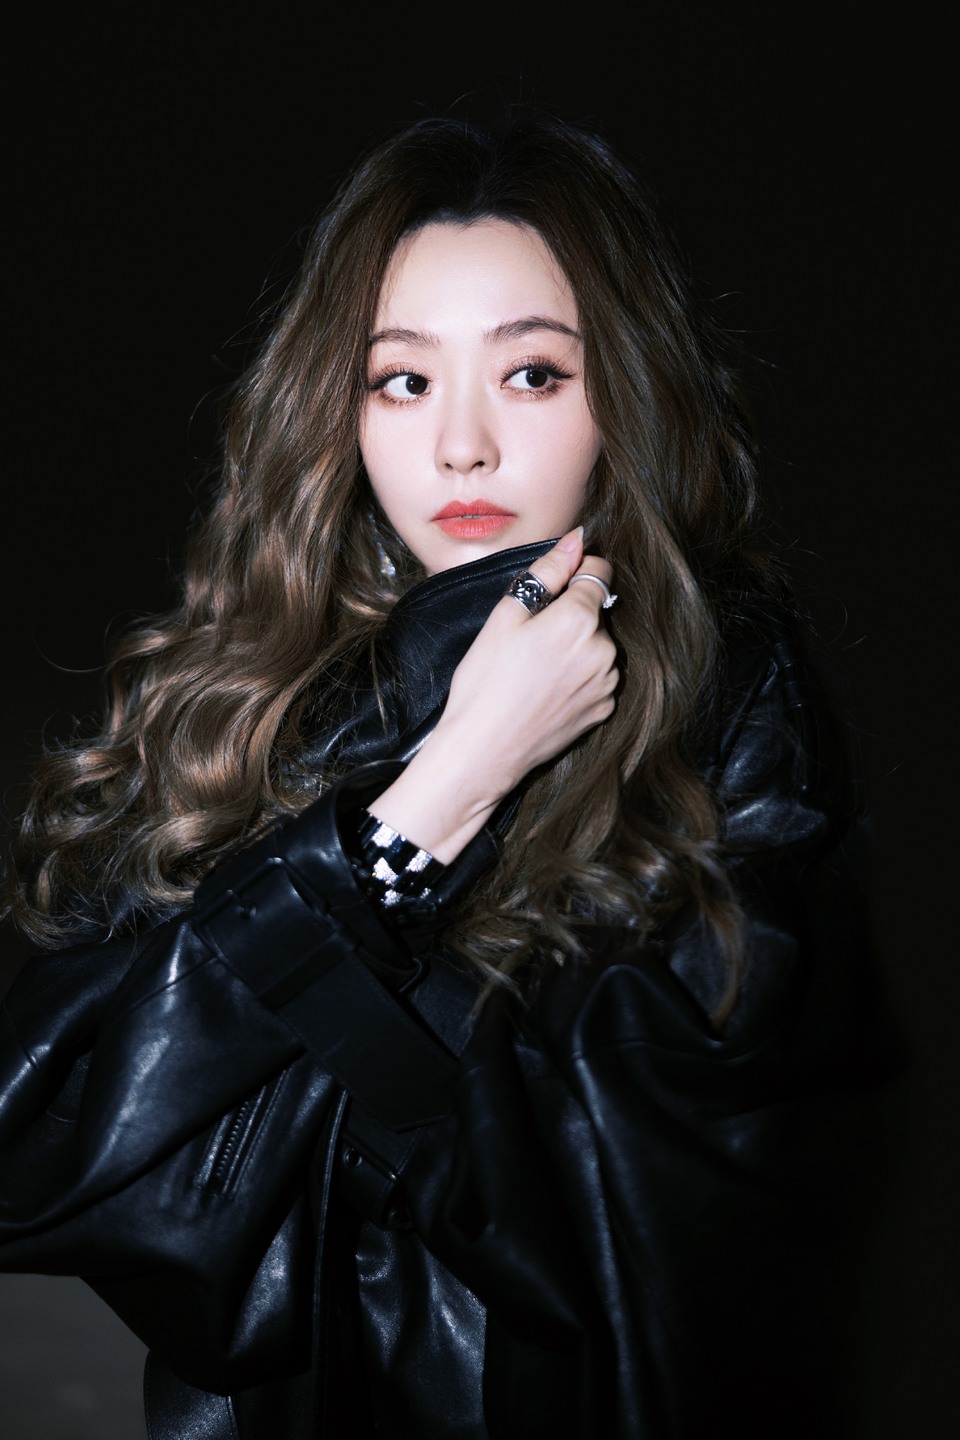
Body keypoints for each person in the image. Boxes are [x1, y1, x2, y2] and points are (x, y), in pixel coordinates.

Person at [0, 112, 901, 1439]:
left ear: (624, 393)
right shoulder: (268, 690)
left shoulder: (727, 689)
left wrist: (296, 1056)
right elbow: (51, 1148)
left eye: (531, 374)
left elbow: (662, 1235)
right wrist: (451, 781)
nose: (462, 446)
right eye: (403, 381)